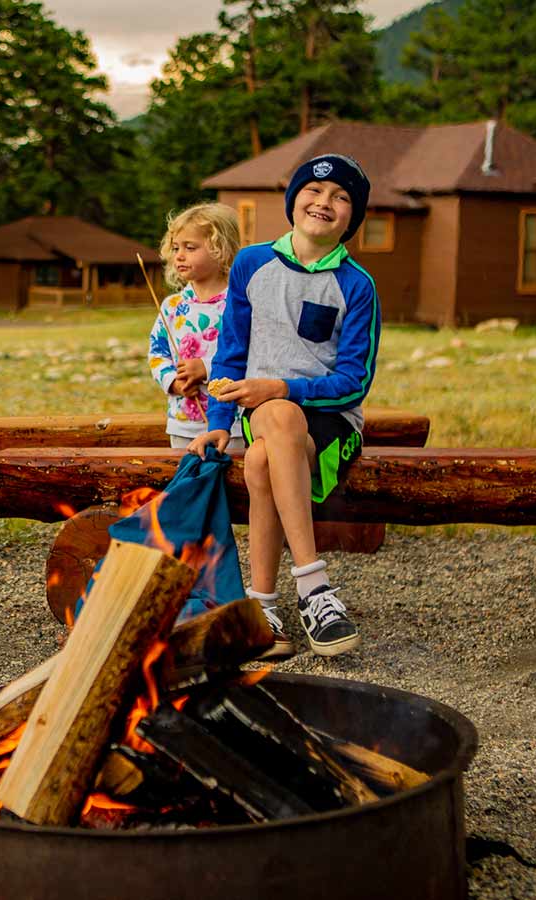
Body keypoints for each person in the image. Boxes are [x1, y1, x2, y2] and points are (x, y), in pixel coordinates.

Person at [189, 154, 380, 658]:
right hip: (265, 413)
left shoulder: (357, 285)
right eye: (314, 191)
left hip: (332, 422)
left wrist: (278, 389)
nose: (324, 202)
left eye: (341, 197)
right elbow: (231, 352)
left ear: (352, 218)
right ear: (294, 200)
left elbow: (355, 382)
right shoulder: (252, 264)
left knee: (261, 455)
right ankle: (311, 592)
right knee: (271, 425)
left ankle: (271, 601)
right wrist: (219, 423)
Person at [146, 203, 245, 453]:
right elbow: (157, 353)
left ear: (221, 249)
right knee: (188, 476)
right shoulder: (172, 306)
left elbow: (250, 354)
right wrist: (173, 382)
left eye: (190, 247)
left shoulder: (239, 304)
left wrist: (207, 368)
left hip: (231, 426)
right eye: (176, 248)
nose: (179, 255)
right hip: (183, 424)